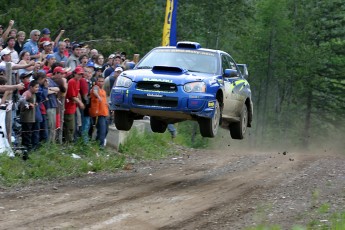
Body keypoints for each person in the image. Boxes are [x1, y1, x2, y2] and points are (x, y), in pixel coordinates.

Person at [63, 66, 84, 142]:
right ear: (74, 74)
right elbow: (72, 96)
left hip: (73, 106)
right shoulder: (72, 81)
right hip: (69, 107)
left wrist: (79, 101)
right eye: (78, 74)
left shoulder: (77, 81)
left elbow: (77, 93)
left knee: (74, 126)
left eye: (81, 74)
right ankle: (68, 143)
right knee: (70, 127)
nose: (80, 76)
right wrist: (80, 103)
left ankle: (70, 142)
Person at [18, 80, 40, 152]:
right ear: (31, 87)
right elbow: (21, 100)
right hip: (26, 118)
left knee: (29, 134)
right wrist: (29, 104)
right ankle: (25, 150)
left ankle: (28, 149)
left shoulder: (34, 94)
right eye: (36, 87)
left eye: (38, 87)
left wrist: (34, 103)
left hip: (31, 118)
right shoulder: (27, 93)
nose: (37, 89)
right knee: (26, 134)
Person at [89, 76, 109, 148]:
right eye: (99, 81)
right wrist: (98, 97)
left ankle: (98, 142)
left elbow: (105, 102)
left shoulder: (103, 91)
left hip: (104, 113)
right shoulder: (96, 87)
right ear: (97, 81)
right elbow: (94, 91)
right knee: (102, 130)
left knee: (106, 130)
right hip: (98, 113)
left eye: (102, 81)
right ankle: (100, 146)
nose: (101, 83)